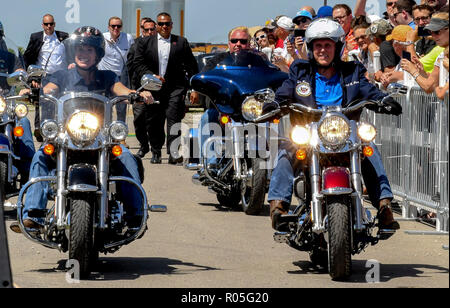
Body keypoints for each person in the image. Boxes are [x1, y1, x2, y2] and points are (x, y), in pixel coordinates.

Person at [9, 26, 152, 233]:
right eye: (80, 50)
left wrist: (134, 93)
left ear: (97, 54)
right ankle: (33, 214)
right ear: (73, 53)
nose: (84, 54)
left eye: (89, 50)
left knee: (127, 157)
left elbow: (119, 89)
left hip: (101, 137)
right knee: (41, 156)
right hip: (67, 135)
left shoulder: (107, 76)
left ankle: (136, 215)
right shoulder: (60, 76)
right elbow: (49, 89)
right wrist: (33, 91)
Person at [268, 18, 402, 232]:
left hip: (345, 131)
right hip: (309, 131)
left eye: (328, 45)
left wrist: (383, 100)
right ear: (311, 48)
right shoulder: (300, 70)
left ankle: (384, 205)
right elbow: (286, 89)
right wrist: (275, 102)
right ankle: (279, 207)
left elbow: (369, 91)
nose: (323, 50)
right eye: (318, 45)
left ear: (337, 47)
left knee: (369, 149)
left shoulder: (353, 71)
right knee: (286, 150)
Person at [133, 12, 199, 165]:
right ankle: (156, 151)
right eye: (161, 24)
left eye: (167, 24)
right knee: (154, 121)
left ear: (171, 25)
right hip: (153, 88)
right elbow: (138, 63)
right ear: (156, 25)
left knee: (173, 119)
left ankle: (174, 153)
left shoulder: (181, 42)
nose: (164, 27)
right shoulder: (145, 43)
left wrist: (193, 88)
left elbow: (191, 66)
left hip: (175, 89)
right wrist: (151, 76)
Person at [23, 14, 69, 142]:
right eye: (46, 24)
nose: (49, 27)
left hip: (61, 76)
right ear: (42, 25)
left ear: (54, 24)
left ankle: (60, 129)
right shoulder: (36, 37)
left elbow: (71, 52)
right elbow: (28, 58)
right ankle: (39, 128)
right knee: (41, 101)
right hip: (42, 75)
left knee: (60, 103)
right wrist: (33, 77)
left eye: (51, 24)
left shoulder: (63, 37)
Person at [0, 23, 35, 182]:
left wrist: (22, 80)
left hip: (5, 102)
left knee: (24, 122)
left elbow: (19, 70)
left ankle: (30, 169)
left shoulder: (8, 56)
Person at [127, 18, 157, 158]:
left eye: (152, 29)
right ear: (142, 31)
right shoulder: (135, 45)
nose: (150, 32)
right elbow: (130, 68)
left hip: (156, 89)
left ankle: (156, 151)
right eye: (147, 30)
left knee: (153, 121)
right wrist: (132, 89)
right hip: (139, 89)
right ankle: (143, 145)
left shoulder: (161, 45)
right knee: (139, 119)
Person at [98, 17, 134, 128]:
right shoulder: (101, 38)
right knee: (104, 107)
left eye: (118, 26)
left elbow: (132, 57)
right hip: (104, 77)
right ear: (108, 27)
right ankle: (104, 132)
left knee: (122, 108)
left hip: (120, 77)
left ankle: (120, 136)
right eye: (113, 26)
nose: (116, 28)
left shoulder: (128, 38)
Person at [400, 12, 449, 92]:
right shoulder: (442, 54)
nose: (433, 36)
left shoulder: (441, 55)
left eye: (437, 32)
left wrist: (413, 71)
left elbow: (428, 87)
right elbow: (432, 83)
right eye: (430, 32)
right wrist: (422, 72)